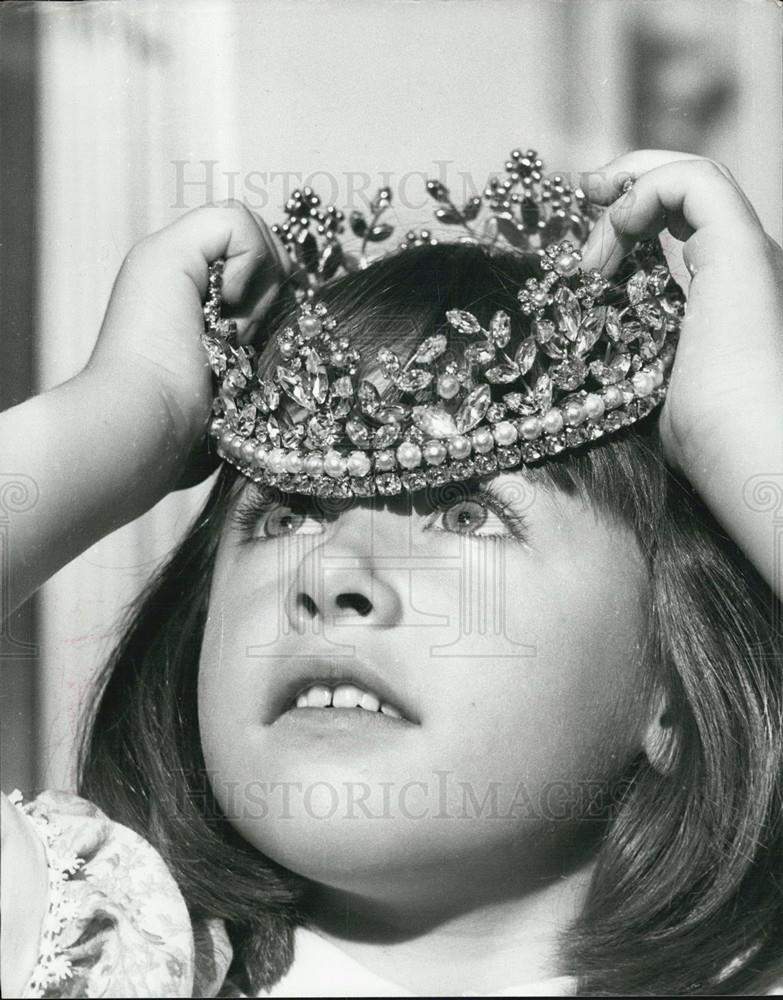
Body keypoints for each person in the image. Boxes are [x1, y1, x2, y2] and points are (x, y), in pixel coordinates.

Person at [1, 149, 781, 998]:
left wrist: (743, 421)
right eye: (287, 513)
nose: (333, 571)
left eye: (464, 515)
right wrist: (132, 406)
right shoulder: (90, 949)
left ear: (675, 679)